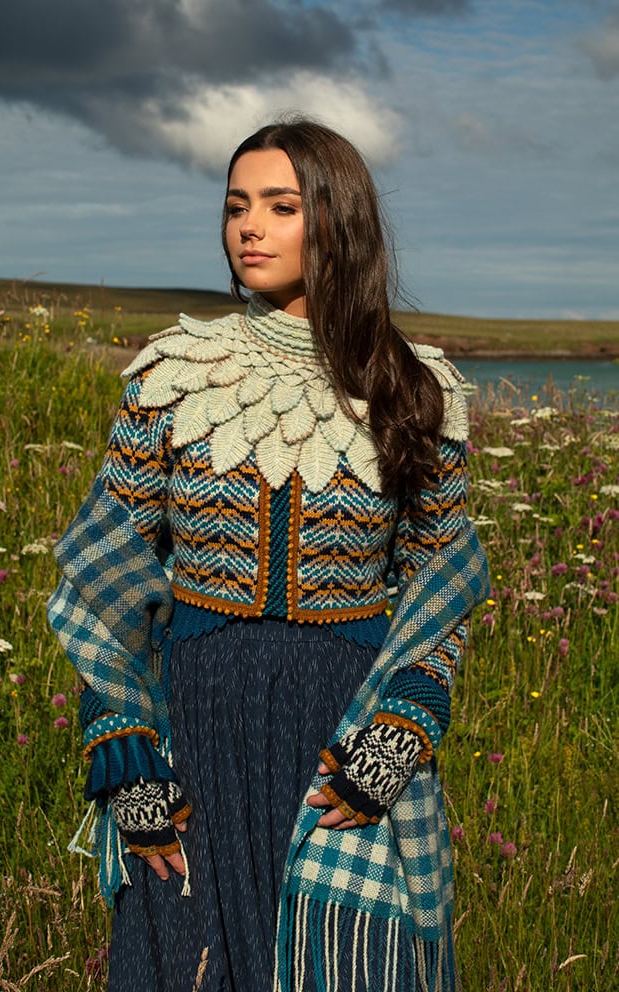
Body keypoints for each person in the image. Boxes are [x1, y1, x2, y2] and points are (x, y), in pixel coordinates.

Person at [48, 117, 489, 992]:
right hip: (198, 734)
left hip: (341, 740)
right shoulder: (176, 374)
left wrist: (400, 729)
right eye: (235, 206)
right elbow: (106, 582)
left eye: (280, 206)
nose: (248, 226)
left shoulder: (414, 387)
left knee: (345, 966)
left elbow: (441, 593)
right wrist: (124, 744)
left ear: (335, 221)